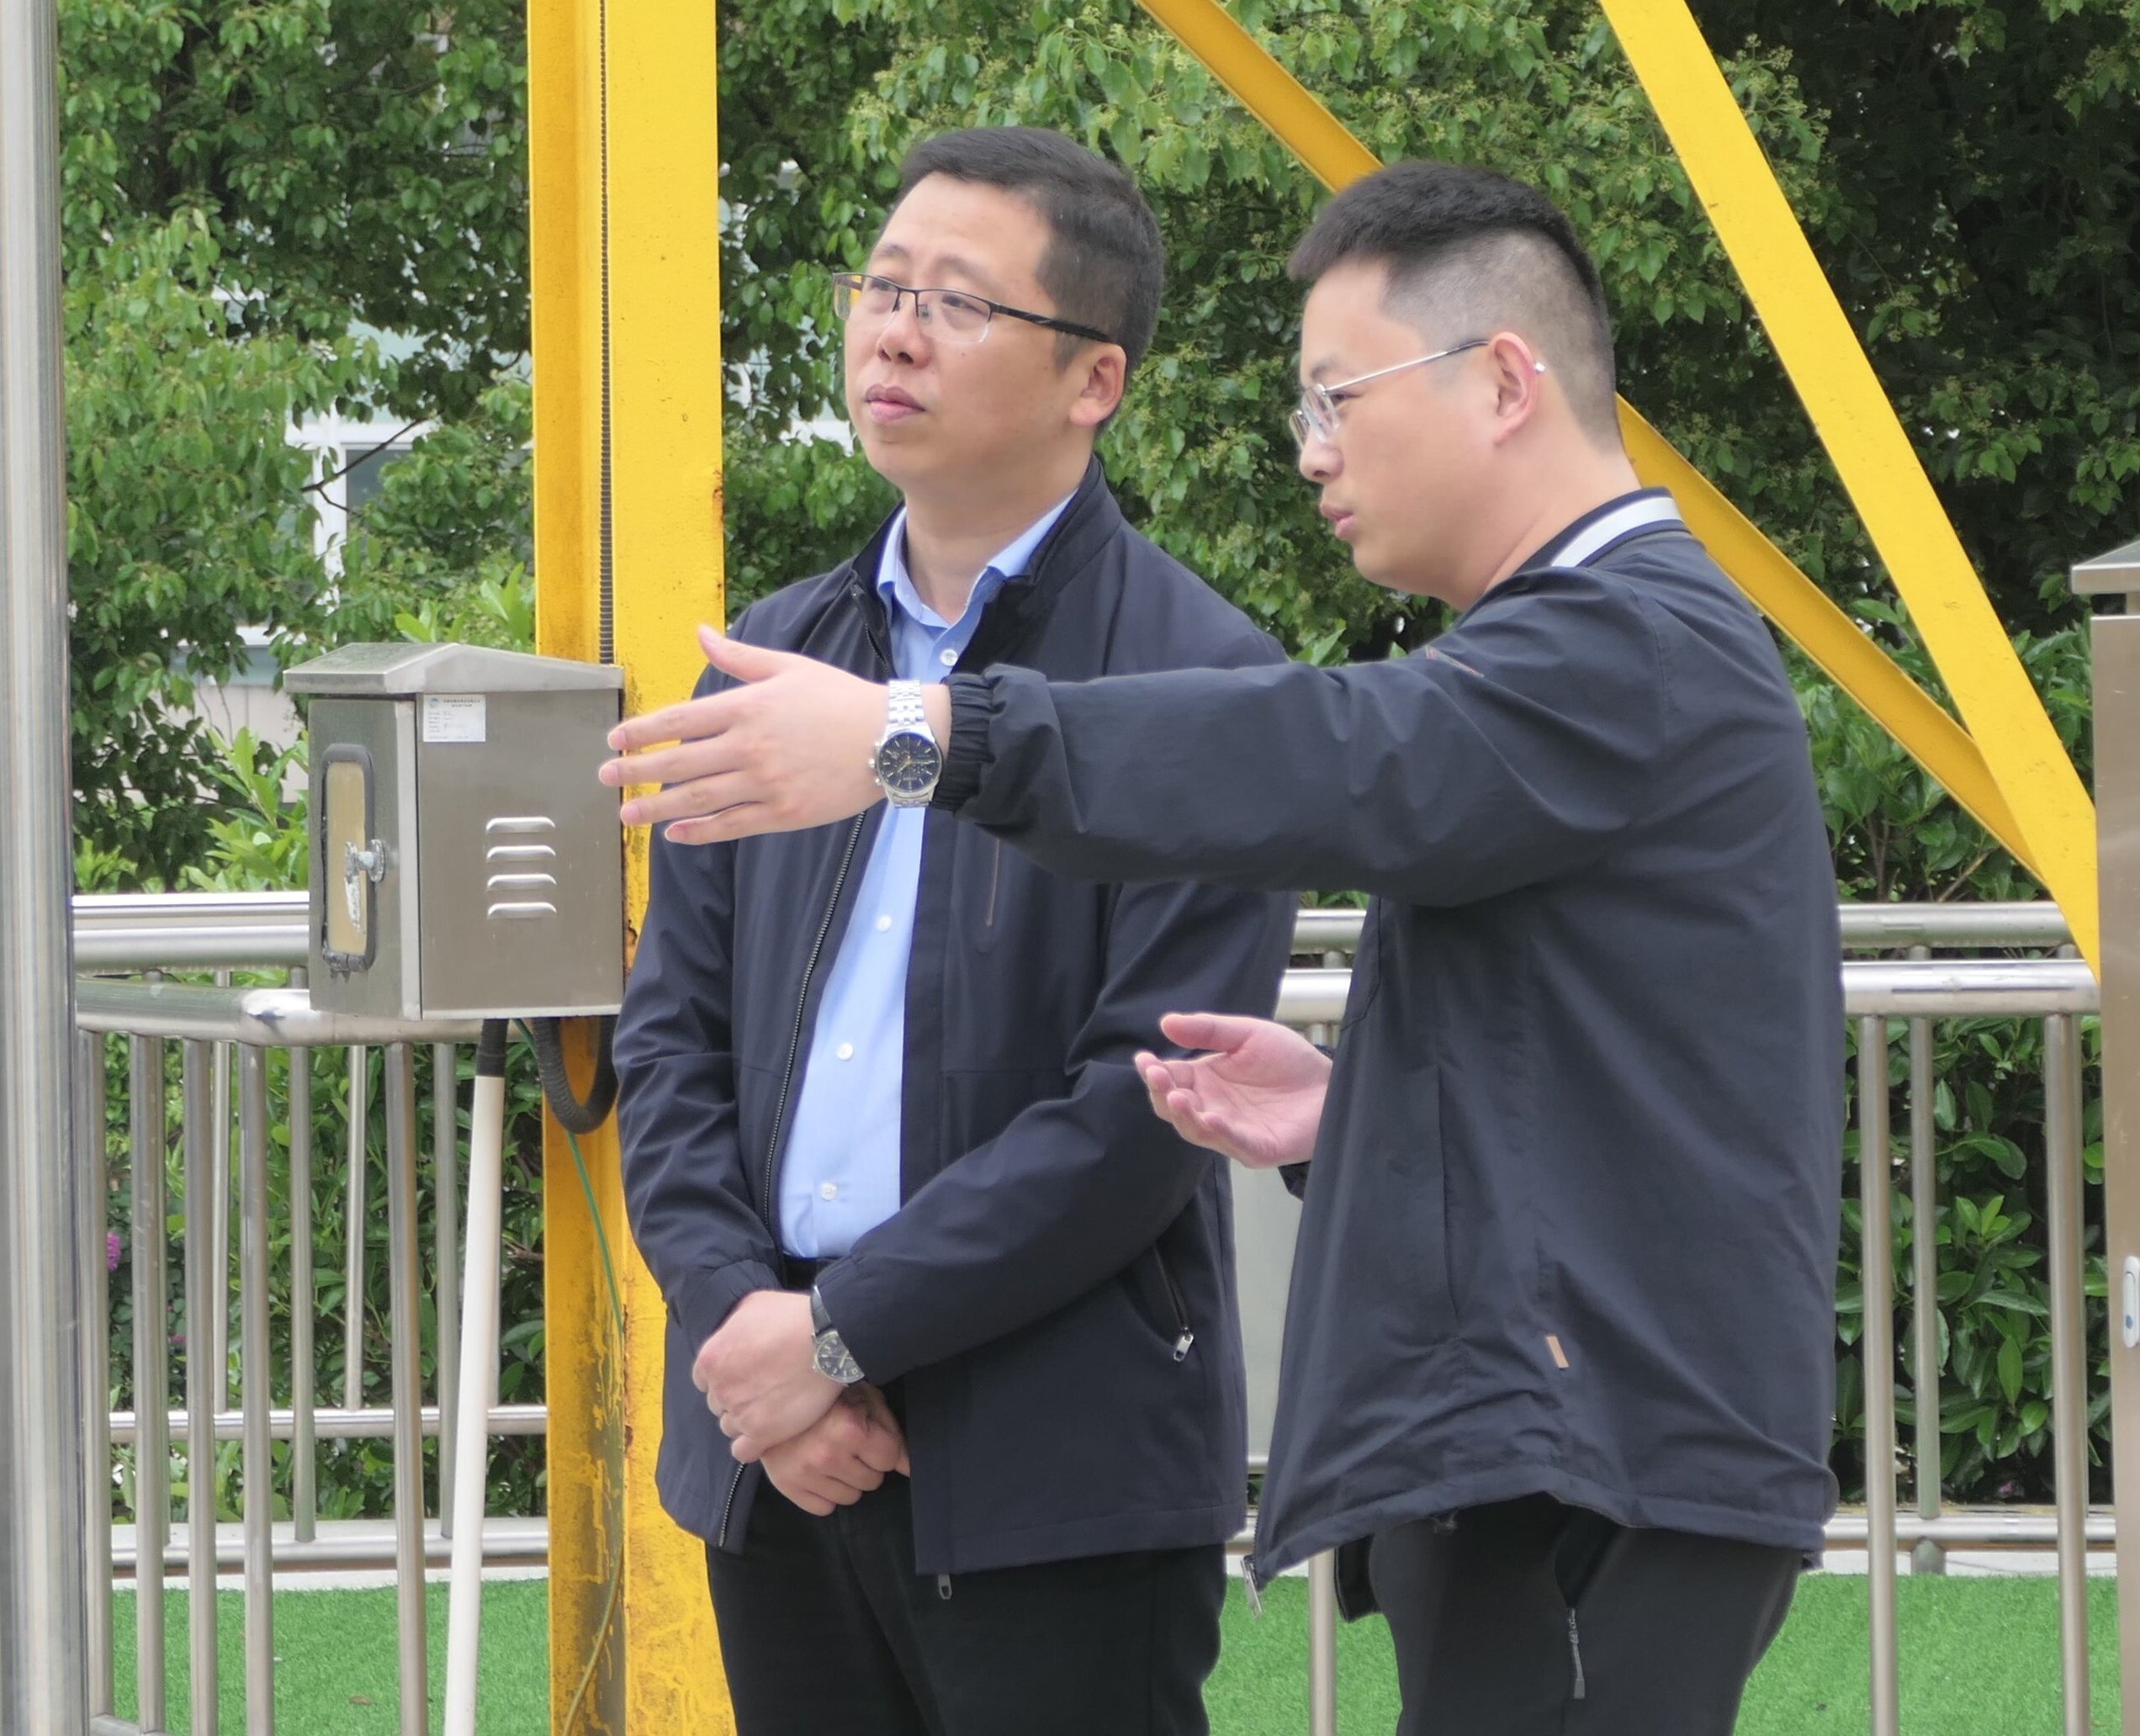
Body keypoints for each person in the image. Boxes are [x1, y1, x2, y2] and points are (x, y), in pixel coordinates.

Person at [604, 160, 1843, 1736]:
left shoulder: (1624, 640)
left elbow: (1333, 756)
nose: (1314, 451)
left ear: (1503, 382)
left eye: (1338, 399)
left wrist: (920, 738)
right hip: (1561, 1443)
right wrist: (1352, 1114)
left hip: (1592, 1451)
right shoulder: (1583, 645)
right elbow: (1597, 1062)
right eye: (883, 287)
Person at [612, 124, 1295, 1736]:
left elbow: (1140, 1108)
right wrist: (750, 1335)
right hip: (780, 1449)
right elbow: (671, 1043)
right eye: (882, 287)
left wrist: (836, 1337)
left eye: (960, 303)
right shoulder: (773, 659)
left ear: (1096, 380)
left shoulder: (1203, 685)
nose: (896, 333)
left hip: (1054, 1460)